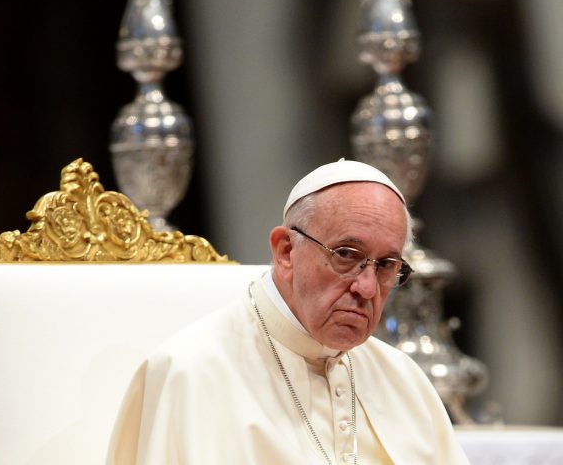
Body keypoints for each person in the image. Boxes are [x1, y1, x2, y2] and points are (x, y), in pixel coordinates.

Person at [106, 159, 470, 464]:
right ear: (285, 251)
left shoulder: (404, 380)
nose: (367, 288)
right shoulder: (191, 374)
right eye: (346, 255)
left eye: (387, 264)